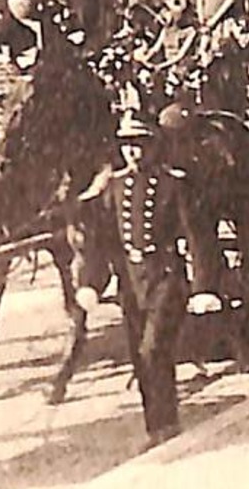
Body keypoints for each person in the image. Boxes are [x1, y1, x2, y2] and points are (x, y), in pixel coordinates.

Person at [82, 112, 191, 445]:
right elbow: (103, 243)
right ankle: (155, 426)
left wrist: (204, 285)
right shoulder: (113, 187)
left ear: (153, 146)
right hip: (130, 285)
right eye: (127, 145)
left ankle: (167, 421)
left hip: (165, 279)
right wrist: (91, 283)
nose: (133, 152)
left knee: (153, 349)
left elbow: (195, 233)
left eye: (140, 144)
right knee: (139, 356)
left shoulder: (173, 183)